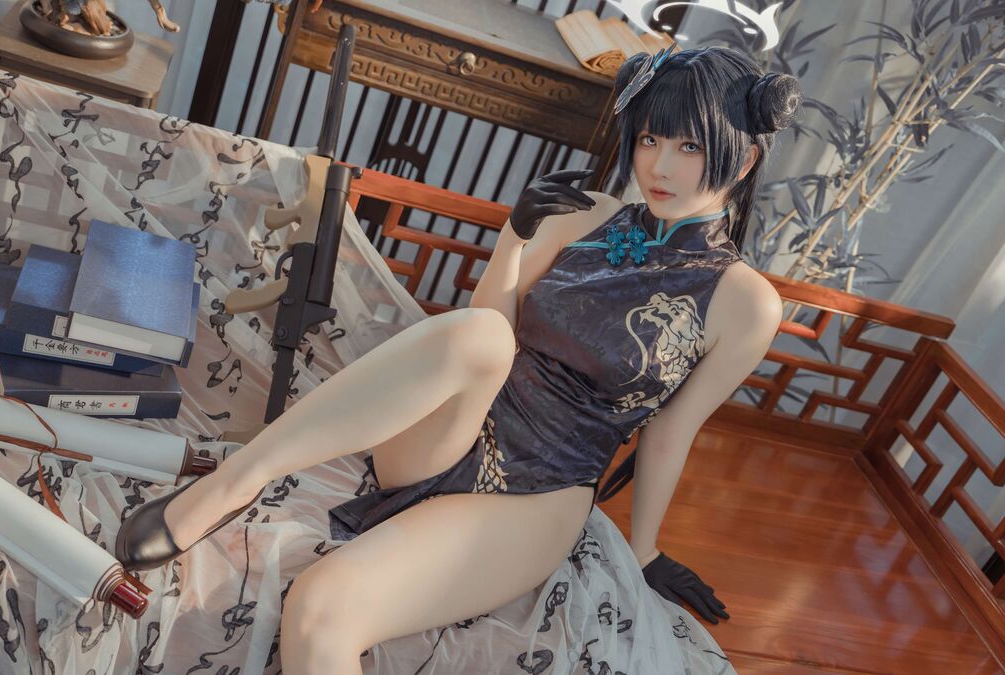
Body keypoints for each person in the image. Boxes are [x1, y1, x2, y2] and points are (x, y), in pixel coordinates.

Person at [114, 45, 801, 673]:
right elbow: (485, 329)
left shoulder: (745, 303)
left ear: (741, 160)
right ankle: (232, 483)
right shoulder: (585, 213)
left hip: (541, 494)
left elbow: (670, 432)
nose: (659, 165)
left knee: (320, 610)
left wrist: (645, 550)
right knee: (483, 337)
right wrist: (514, 237)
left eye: (689, 145)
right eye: (650, 138)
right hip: (449, 434)